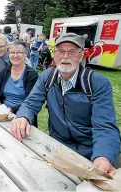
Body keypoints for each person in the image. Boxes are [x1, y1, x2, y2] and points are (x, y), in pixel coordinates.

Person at [11, 33, 120, 175]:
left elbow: (104, 126)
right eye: (61, 51)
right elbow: (31, 103)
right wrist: (23, 116)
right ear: (55, 55)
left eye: (72, 51)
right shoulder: (47, 76)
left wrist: (103, 156)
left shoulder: (97, 83)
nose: (65, 56)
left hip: (91, 151)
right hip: (59, 148)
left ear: (82, 55)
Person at [0, 41, 38, 118]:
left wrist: (10, 109)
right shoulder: (5, 72)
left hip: (22, 115)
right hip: (3, 112)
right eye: (12, 52)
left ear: (25, 55)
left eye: (19, 52)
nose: (15, 55)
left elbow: (30, 102)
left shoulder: (31, 74)